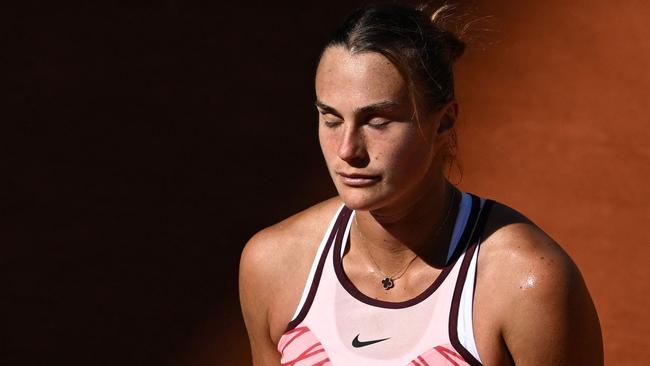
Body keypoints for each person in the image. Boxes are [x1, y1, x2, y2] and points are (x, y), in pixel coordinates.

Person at [239, 2, 603, 365]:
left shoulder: (527, 284)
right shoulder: (273, 264)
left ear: (444, 123)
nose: (347, 150)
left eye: (377, 121)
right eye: (331, 119)